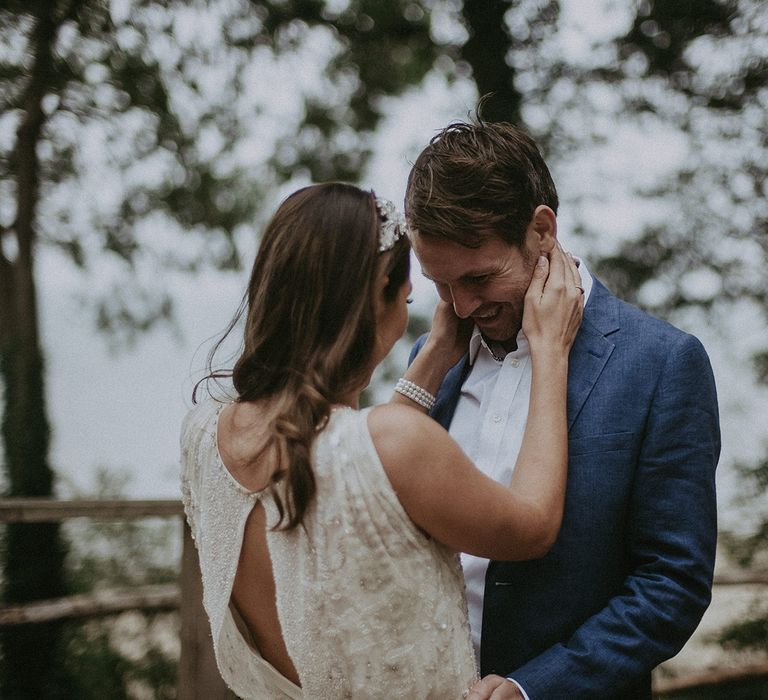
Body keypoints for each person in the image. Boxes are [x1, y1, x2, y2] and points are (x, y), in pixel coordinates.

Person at [180, 182, 583, 699]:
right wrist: (550, 347)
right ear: (377, 302)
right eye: (407, 299)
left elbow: (359, 481)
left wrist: (436, 353)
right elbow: (532, 525)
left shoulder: (205, 434)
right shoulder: (396, 443)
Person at [405, 119, 720, 700]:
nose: (462, 305)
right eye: (440, 283)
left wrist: (533, 689)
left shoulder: (662, 364)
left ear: (542, 229)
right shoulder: (432, 355)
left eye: (479, 277)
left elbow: (671, 583)